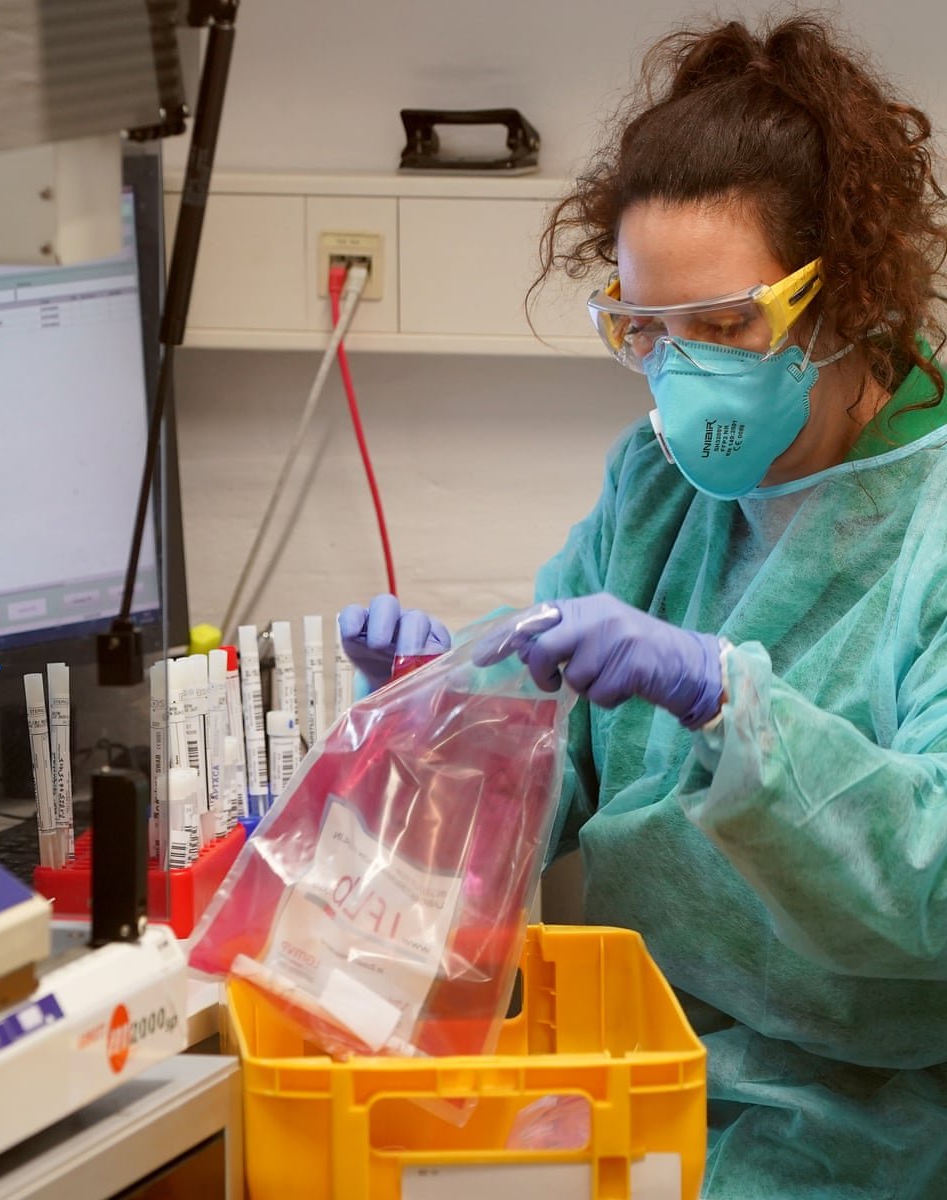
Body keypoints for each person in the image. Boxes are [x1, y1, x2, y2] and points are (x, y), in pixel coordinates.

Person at [339, 14, 947, 1199]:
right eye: (648, 332)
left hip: (861, 1124)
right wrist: (440, 722)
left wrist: (730, 708)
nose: (684, 375)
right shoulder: (656, 494)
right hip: (622, 1076)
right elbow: (538, 773)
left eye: (723, 327)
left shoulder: (928, 528)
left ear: (848, 294)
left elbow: (933, 886)